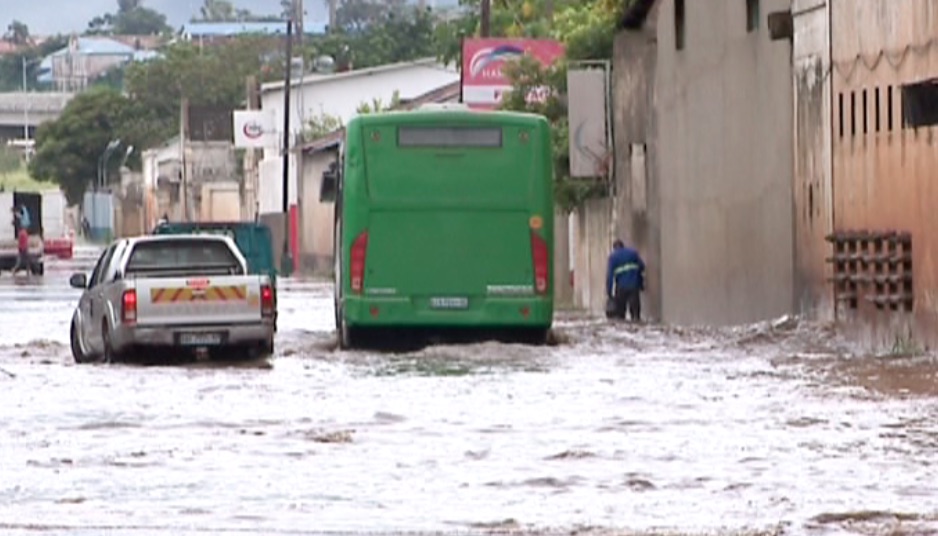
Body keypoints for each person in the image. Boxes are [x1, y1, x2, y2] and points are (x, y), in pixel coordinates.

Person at [605, 239, 645, 322]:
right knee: (635, 310)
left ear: (614, 248)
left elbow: (610, 276)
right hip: (634, 285)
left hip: (621, 287)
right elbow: (642, 266)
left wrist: (609, 292)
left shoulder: (613, 257)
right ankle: (636, 323)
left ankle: (623, 327)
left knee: (621, 312)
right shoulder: (633, 253)